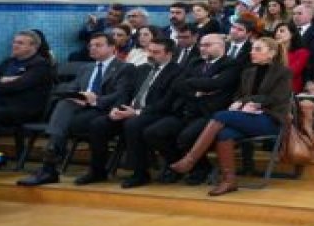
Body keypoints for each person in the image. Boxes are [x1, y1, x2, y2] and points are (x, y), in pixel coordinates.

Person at [169, 38, 293, 196]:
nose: (252, 52)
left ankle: (190, 159)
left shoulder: (283, 72)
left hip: (270, 119)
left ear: (271, 53)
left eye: (258, 49)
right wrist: (239, 102)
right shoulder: (248, 71)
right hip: (246, 116)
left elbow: (278, 98)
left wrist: (251, 102)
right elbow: (238, 94)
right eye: (252, 49)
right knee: (223, 134)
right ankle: (229, 181)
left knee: (221, 115)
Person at [15, 32, 135, 186]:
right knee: (65, 103)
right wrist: (76, 95)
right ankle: (49, 164)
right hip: (81, 109)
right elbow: (72, 87)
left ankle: (49, 163)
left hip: (104, 110)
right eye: (91, 45)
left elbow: (121, 94)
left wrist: (95, 100)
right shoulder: (86, 67)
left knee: (65, 116)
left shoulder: (124, 68)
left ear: (112, 48)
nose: (93, 48)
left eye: (98, 45)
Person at [149, 33, 241, 184]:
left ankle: (201, 168)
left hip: (211, 114)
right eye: (201, 45)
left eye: (207, 45)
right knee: (154, 133)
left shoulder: (231, 64)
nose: (203, 48)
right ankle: (178, 165)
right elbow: (178, 84)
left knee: (185, 137)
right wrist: (199, 91)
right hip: (188, 109)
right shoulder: (195, 62)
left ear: (221, 46)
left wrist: (193, 84)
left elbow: (218, 85)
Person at [106, 37, 187, 188]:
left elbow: (167, 103)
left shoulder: (177, 72)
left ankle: (140, 173)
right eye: (149, 51)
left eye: (156, 52)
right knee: (100, 123)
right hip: (133, 110)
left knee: (133, 124)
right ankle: (98, 170)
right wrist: (117, 107)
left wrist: (136, 112)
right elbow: (126, 92)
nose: (151, 55)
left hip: (161, 113)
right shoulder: (142, 68)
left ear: (169, 54)